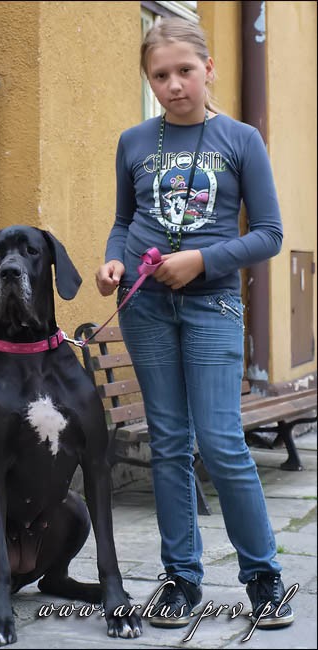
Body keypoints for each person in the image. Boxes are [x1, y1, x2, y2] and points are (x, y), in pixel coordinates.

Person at [95, 17, 293, 630]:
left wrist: (201, 261)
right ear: (148, 80)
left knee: (221, 441)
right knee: (169, 443)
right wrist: (113, 261)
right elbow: (125, 221)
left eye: (185, 71)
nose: (174, 85)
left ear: (208, 69)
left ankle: (262, 576)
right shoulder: (133, 141)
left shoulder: (241, 139)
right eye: (160, 76)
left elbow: (269, 234)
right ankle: (180, 578)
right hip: (145, 308)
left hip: (213, 307)